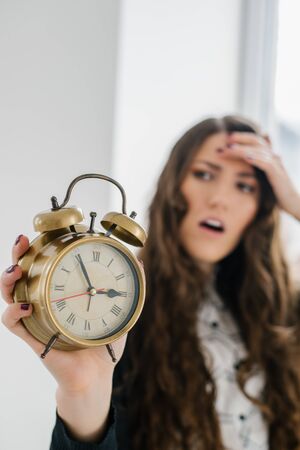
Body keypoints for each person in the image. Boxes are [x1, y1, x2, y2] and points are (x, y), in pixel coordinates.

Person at [2, 115, 300, 450]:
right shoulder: (119, 317)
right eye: (203, 174)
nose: (220, 199)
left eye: (245, 185)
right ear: (174, 187)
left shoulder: (283, 312)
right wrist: (84, 390)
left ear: (262, 206)